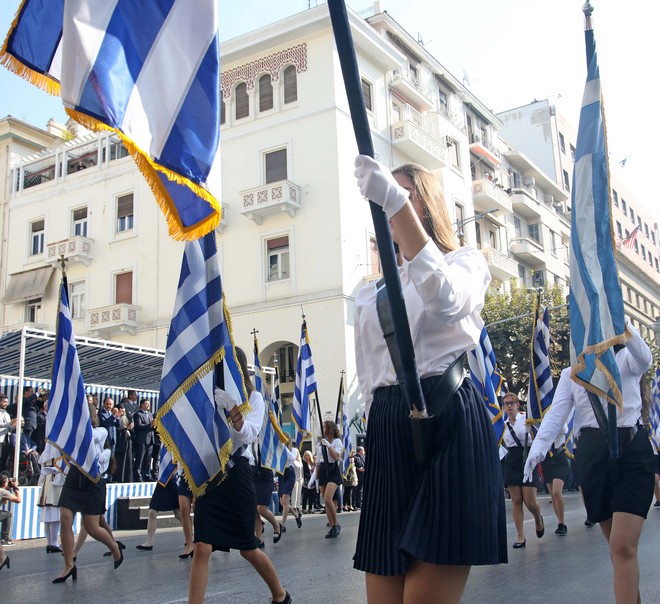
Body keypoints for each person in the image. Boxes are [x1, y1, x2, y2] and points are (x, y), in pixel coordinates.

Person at [352, 157, 507, 604]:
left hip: (448, 420)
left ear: (424, 204)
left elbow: (445, 300)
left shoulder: (466, 261)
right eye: (383, 194)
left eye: (402, 193)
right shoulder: (372, 289)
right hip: (389, 429)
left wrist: (394, 201)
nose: (388, 202)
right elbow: (370, 372)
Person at [524, 321, 654, 604]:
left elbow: (646, 357)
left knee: (622, 546)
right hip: (593, 457)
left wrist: (622, 322)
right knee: (619, 550)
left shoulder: (627, 358)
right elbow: (556, 415)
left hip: (632, 451)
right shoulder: (573, 373)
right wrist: (537, 449)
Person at [188, 347, 290, 604]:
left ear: (238, 368)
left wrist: (233, 408)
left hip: (238, 474)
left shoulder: (253, 398)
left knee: (248, 547)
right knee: (202, 547)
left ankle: (280, 595)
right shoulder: (208, 396)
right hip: (211, 475)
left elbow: (249, 434)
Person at [53, 404, 124, 583]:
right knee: (65, 519)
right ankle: (69, 565)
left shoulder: (101, 431)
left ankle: (114, 548)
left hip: (93, 480)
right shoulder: (74, 432)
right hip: (75, 477)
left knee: (92, 527)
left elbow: (88, 437)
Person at [501, 393, 544, 548]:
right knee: (516, 500)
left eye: (512, 403)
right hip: (512, 460)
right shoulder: (503, 424)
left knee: (530, 502)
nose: (509, 406)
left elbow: (539, 435)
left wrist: (531, 429)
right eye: (506, 404)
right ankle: (520, 536)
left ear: (517, 405)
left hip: (527, 458)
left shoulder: (526, 419)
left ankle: (538, 519)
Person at [539, 422, 571, 535]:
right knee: (552, 494)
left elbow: (564, 429)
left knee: (557, 492)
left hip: (559, 457)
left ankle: (562, 523)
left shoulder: (559, 419)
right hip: (547, 459)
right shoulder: (541, 422)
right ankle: (560, 522)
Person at [135, 477, 181, 552]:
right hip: (162, 481)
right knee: (152, 512)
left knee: (178, 514)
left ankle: (192, 536)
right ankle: (149, 542)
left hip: (172, 480)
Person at [316, 420, 343, 538]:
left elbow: (336, 457)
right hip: (323, 470)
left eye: (324, 427)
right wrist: (315, 479)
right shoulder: (320, 443)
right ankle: (332, 526)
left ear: (330, 429)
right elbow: (318, 462)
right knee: (326, 503)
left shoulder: (337, 441)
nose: (323, 429)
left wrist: (328, 445)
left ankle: (336, 524)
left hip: (333, 470)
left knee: (328, 499)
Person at [37, 447, 66, 553]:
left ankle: (50, 542)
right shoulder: (58, 450)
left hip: (47, 481)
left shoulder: (46, 451)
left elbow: (41, 463)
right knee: (54, 513)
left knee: (48, 514)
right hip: (55, 481)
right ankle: (53, 542)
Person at [278, 437, 303, 534]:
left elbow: (291, 458)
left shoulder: (293, 450)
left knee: (285, 500)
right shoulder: (279, 448)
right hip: (281, 474)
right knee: (283, 503)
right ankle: (296, 516)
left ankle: (282, 525)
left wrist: (284, 448)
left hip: (290, 474)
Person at [133, 398, 155, 481]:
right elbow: (138, 426)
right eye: (146, 403)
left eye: (149, 404)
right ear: (142, 405)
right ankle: (138, 476)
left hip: (150, 440)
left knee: (148, 459)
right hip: (142, 440)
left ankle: (147, 474)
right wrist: (150, 424)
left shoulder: (149, 414)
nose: (148, 405)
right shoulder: (138, 414)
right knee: (140, 459)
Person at [0, 473, 21, 550]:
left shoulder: (3, 491)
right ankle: (4, 539)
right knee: (8, 514)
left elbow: (4, 501)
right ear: (5, 483)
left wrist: (8, 488)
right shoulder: (3, 491)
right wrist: (15, 488)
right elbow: (18, 500)